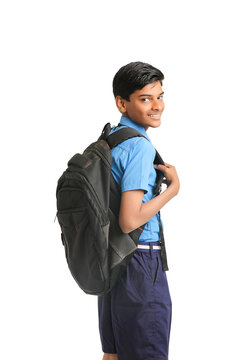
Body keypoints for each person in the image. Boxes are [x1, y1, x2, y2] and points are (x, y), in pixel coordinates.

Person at [98, 61, 180, 360]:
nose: (157, 105)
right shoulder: (139, 147)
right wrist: (172, 189)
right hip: (140, 260)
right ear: (122, 102)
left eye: (160, 96)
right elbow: (129, 219)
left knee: (114, 354)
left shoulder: (111, 139)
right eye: (145, 98)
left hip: (112, 261)